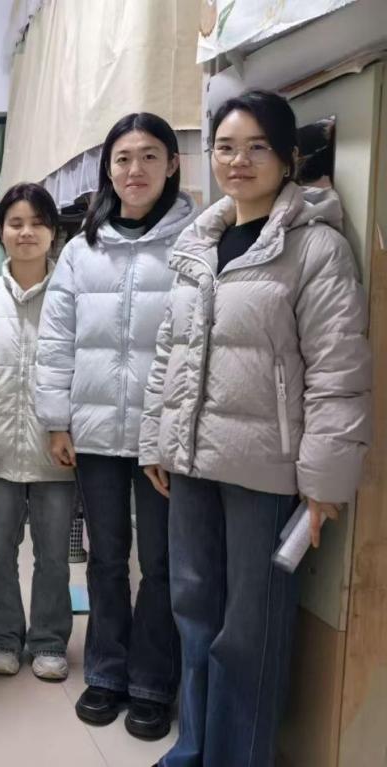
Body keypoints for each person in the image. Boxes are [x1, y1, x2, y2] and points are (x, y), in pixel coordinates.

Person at [140, 89, 372, 767]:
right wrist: (156, 439)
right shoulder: (199, 243)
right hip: (189, 463)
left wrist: (323, 483)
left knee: (250, 633)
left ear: (288, 157)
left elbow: (338, 371)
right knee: (193, 614)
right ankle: (193, 749)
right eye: (225, 147)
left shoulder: (316, 247)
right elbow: (169, 353)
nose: (237, 161)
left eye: (256, 147)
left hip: (265, 473)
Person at [36, 113, 196, 739]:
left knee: (159, 562)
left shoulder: (195, 243)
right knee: (105, 558)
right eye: (123, 158)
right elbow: (56, 342)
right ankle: (105, 670)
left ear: (172, 164)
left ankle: (152, 681)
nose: (135, 170)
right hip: (96, 431)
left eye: (150, 156)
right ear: (107, 169)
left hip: (163, 435)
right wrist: (57, 420)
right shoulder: (82, 250)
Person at [0, 183, 76, 680]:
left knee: (53, 557)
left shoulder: (71, 295)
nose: (26, 232)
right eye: (15, 223)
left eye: (38, 223)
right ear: (1, 232)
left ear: (53, 233)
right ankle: (1, 636)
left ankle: (49, 640)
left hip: (56, 454)